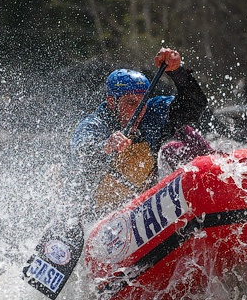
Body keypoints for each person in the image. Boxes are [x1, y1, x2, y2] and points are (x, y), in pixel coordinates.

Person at [70, 47, 212, 211]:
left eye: (142, 102)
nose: (138, 111)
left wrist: (177, 72)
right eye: (130, 103)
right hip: (94, 213)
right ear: (111, 102)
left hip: (140, 209)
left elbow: (194, 106)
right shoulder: (95, 124)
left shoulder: (153, 113)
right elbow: (82, 152)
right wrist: (106, 146)